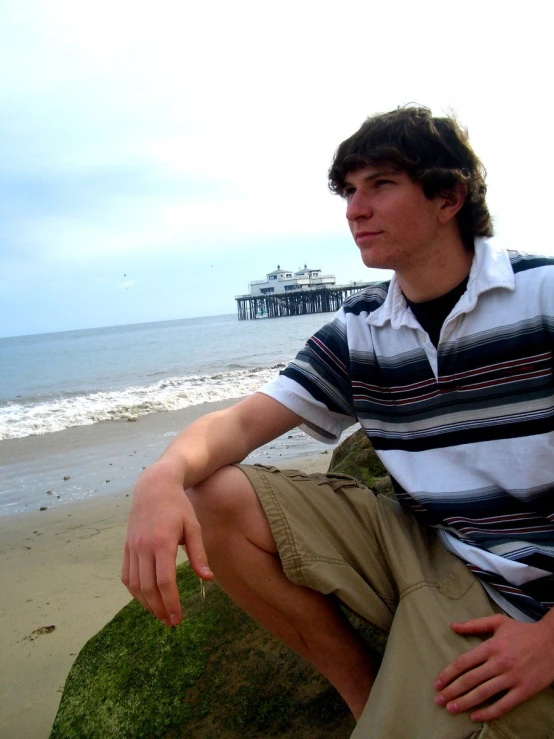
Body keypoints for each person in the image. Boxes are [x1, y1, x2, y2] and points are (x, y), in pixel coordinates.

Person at [122, 106, 554, 738]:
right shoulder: (362, 329)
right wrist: (160, 478)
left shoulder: (541, 299)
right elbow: (238, 427)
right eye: (349, 192)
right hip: (439, 557)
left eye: (381, 185)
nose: (355, 209)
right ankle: (363, 693)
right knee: (213, 492)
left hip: (536, 595)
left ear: (449, 197)